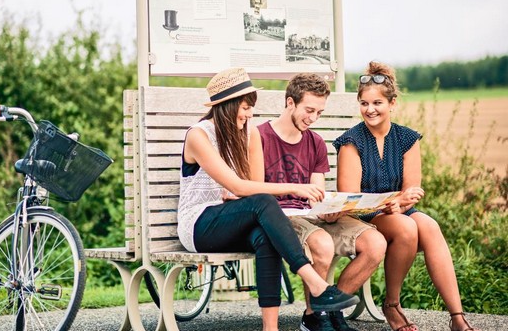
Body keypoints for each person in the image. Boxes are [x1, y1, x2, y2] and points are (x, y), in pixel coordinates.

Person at [177, 67, 360, 331]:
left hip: (229, 218)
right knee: (264, 203)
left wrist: (241, 192)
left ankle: (270, 328)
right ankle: (318, 285)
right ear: (226, 106)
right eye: (245, 107)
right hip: (198, 224)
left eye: (251, 107)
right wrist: (295, 188)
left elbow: (251, 186)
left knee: (267, 235)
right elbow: (240, 186)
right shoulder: (199, 135)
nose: (250, 114)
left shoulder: (248, 132)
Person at [333, 61, 481, 331]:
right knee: (406, 227)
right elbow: (351, 200)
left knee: (429, 225)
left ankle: (457, 317)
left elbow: (411, 192)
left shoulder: (407, 139)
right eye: (364, 103)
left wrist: (398, 203)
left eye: (377, 103)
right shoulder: (351, 142)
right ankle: (392, 305)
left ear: (392, 103)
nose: (370, 109)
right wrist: (394, 202)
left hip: (397, 211)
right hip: (362, 217)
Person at [257, 73, 387, 331]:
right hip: (280, 217)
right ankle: (313, 318)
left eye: (319, 112)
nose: (313, 118)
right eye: (309, 110)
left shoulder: (314, 141)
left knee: (375, 243)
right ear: (290, 103)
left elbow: (316, 191)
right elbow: (255, 192)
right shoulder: (259, 137)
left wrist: (330, 210)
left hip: (311, 215)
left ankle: (329, 309)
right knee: (322, 244)